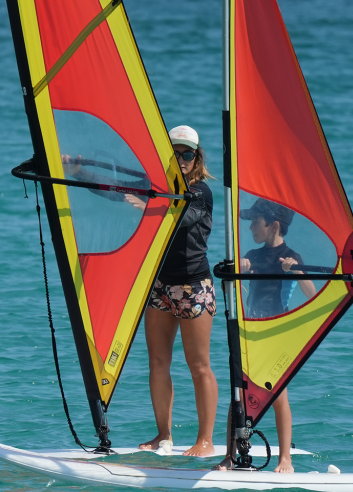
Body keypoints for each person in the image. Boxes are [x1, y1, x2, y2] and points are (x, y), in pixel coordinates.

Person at [137, 125, 218, 458]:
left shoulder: (201, 193)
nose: (182, 159)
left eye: (188, 154)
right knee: (157, 362)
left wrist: (146, 205)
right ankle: (163, 434)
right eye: (176, 153)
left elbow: (181, 216)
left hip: (193, 287)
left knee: (198, 365)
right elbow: (119, 188)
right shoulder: (159, 189)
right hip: (160, 286)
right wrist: (78, 167)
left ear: (196, 158)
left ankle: (206, 440)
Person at [233, 198, 316, 473]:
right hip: (252, 331)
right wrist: (241, 269)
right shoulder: (253, 256)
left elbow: (312, 295)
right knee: (239, 394)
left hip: (277, 332)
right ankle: (230, 456)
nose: (251, 227)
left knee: (279, 395)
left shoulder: (290, 257)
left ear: (274, 225)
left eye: (256, 221)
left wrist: (294, 270)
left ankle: (285, 459)